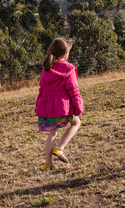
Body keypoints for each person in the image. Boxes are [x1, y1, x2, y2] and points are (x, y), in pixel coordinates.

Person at [36, 37, 84, 170]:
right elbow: (73, 90)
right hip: (63, 107)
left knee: (52, 133)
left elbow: (42, 88)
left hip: (47, 106)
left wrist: (39, 104)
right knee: (76, 123)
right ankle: (60, 148)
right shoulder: (68, 68)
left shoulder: (46, 66)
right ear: (65, 53)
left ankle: (48, 163)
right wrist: (79, 106)